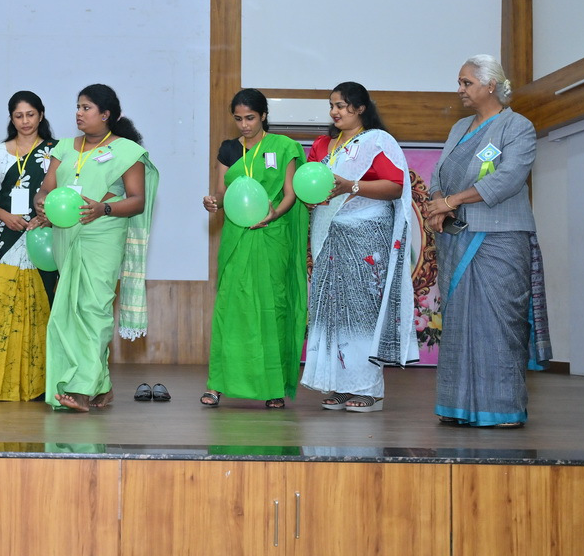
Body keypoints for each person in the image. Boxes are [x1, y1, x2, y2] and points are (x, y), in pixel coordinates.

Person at [425, 55, 551, 428]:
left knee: (498, 323)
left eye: (466, 82)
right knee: (460, 323)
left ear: (490, 85)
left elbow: (508, 178)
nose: (460, 90)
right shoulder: (459, 127)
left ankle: (502, 408)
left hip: (500, 238)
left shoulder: (517, 126)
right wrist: (438, 203)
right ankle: (457, 406)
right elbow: (439, 173)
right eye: (460, 82)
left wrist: (451, 201)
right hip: (456, 236)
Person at [33, 84, 159, 412]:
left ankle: (82, 390)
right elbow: (45, 190)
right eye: (78, 106)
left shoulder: (127, 151)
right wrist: (41, 204)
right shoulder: (63, 148)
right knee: (69, 313)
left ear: (106, 115)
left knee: (93, 310)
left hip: (102, 234)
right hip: (66, 235)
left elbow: (137, 201)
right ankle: (101, 386)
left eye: (86, 107)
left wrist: (104, 208)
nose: (79, 113)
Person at [300, 82, 418, 412]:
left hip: (366, 236)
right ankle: (339, 385)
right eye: (332, 105)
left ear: (360, 108)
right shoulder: (322, 145)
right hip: (328, 236)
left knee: (363, 311)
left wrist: (351, 186)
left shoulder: (376, 141)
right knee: (331, 310)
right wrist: (312, 199)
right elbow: (311, 186)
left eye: (341, 105)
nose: (334, 111)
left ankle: (368, 389)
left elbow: (395, 186)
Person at [200, 89, 309, 409]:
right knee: (230, 309)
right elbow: (222, 192)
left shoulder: (284, 147)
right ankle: (217, 384)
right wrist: (213, 202)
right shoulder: (229, 149)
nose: (244, 125)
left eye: (250, 118)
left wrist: (274, 214)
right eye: (238, 119)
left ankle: (273, 387)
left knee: (272, 308)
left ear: (263, 115)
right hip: (237, 236)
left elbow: (290, 193)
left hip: (273, 235)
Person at [0, 91, 58, 401]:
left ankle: (40, 384)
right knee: (4, 304)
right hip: (6, 236)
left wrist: (47, 218)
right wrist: (3, 216)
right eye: (18, 116)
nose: (25, 121)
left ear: (41, 115)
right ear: (11, 118)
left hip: (43, 237)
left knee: (43, 306)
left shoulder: (55, 151)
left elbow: (63, 194)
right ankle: (1, 384)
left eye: (30, 114)